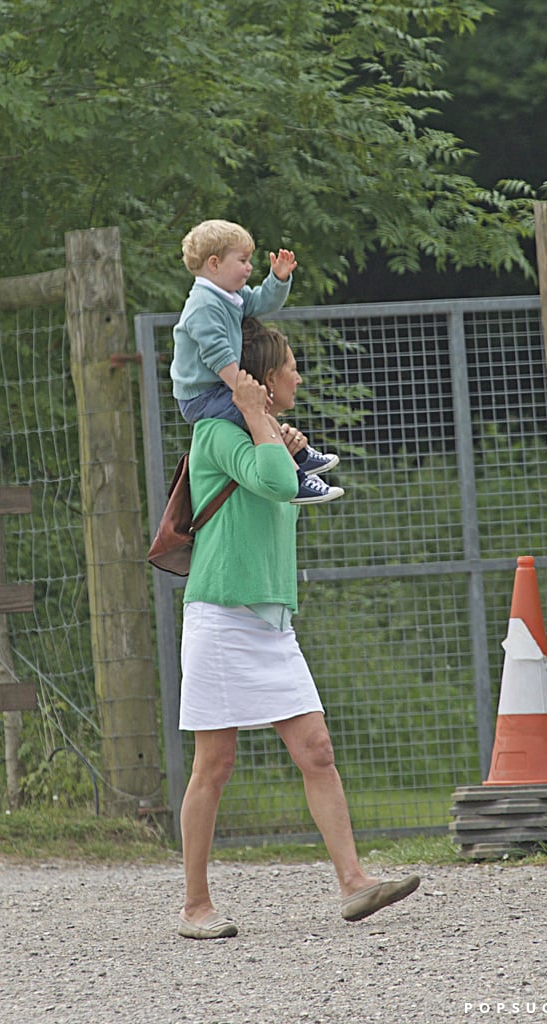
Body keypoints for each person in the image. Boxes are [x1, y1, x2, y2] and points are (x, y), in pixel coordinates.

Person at [176, 317, 420, 940]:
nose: (298, 375)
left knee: (317, 751)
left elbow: (284, 485)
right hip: (222, 616)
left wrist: (273, 438)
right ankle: (195, 906)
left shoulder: (259, 437)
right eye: (288, 366)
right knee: (216, 762)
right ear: (261, 380)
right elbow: (280, 484)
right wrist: (258, 420)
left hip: (270, 620)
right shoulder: (216, 433)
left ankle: (353, 883)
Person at [170, 218, 343, 505]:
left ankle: (297, 457)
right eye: (243, 260)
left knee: (260, 413)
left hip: (217, 386)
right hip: (201, 396)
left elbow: (262, 302)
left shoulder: (229, 297)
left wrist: (279, 279)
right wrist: (242, 388)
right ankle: (297, 475)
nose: (249, 268)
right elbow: (216, 352)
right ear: (214, 264)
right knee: (257, 412)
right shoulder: (203, 304)